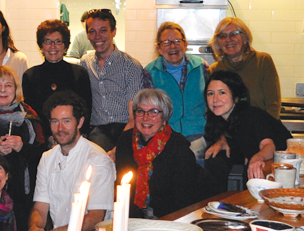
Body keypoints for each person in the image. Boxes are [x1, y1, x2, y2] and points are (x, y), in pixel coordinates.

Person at [25, 91, 115, 231]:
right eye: (55, 121)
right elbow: (40, 208)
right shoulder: (47, 158)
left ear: (79, 122)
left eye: (66, 121)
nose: (60, 128)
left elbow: (95, 218)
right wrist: (35, 229)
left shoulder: (98, 159)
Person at [115, 89, 216, 219]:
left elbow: (183, 199)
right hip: (136, 218)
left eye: (154, 112)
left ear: (164, 118)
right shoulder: (125, 141)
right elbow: (123, 187)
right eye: (140, 111)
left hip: (173, 216)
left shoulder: (178, 146)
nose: (146, 118)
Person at [0, 65, 46, 231]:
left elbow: (44, 155)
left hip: (25, 196)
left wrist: (23, 147)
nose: (3, 90)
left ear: (16, 89)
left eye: (9, 85)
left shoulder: (30, 117)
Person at [204, 70, 291, 181]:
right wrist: (221, 140)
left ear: (236, 97)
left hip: (287, 170)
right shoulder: (221, 119)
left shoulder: (250, 115)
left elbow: (269, 146)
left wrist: (257, 157)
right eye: (210, 93)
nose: (215, 99)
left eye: (222, 93)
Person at [143, 22, 208, 162]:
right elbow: (148, 111)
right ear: (158, 48)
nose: (173, 46)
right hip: (166, 136)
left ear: (185, 44)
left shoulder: (202, 67)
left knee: (194, 166)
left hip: (197, 134)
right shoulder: (150, 72)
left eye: (177, 41)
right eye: (166, 42)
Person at [80, 9, 143, 152]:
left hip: (126, 128)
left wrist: (118, 150)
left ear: (113, 31)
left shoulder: (131, 66)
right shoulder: (85, 64)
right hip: (98, 131)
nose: (97, 36)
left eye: (103, 30)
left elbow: (134, 117)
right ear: (87, 35)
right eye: (92, 31)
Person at [22, 19, 92, 136]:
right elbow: (32, 116)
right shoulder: (30, 76)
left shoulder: (79, 73)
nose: (53, 46)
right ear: (41, 46)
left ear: (65, 47)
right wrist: (49, 138)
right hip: (43, 139)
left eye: (58, 41)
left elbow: (85, 111)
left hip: (74, 137)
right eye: (48, 41)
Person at [209, 17, 281, 119]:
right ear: (218, 43)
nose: (228, 39)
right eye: (223, 36)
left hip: (261, 130)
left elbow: (273, 104)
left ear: (245, 38)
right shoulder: (214, 70)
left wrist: (266, 131)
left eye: (234, 34)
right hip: (228, 132)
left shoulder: (262, 61)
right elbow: (213, 108)